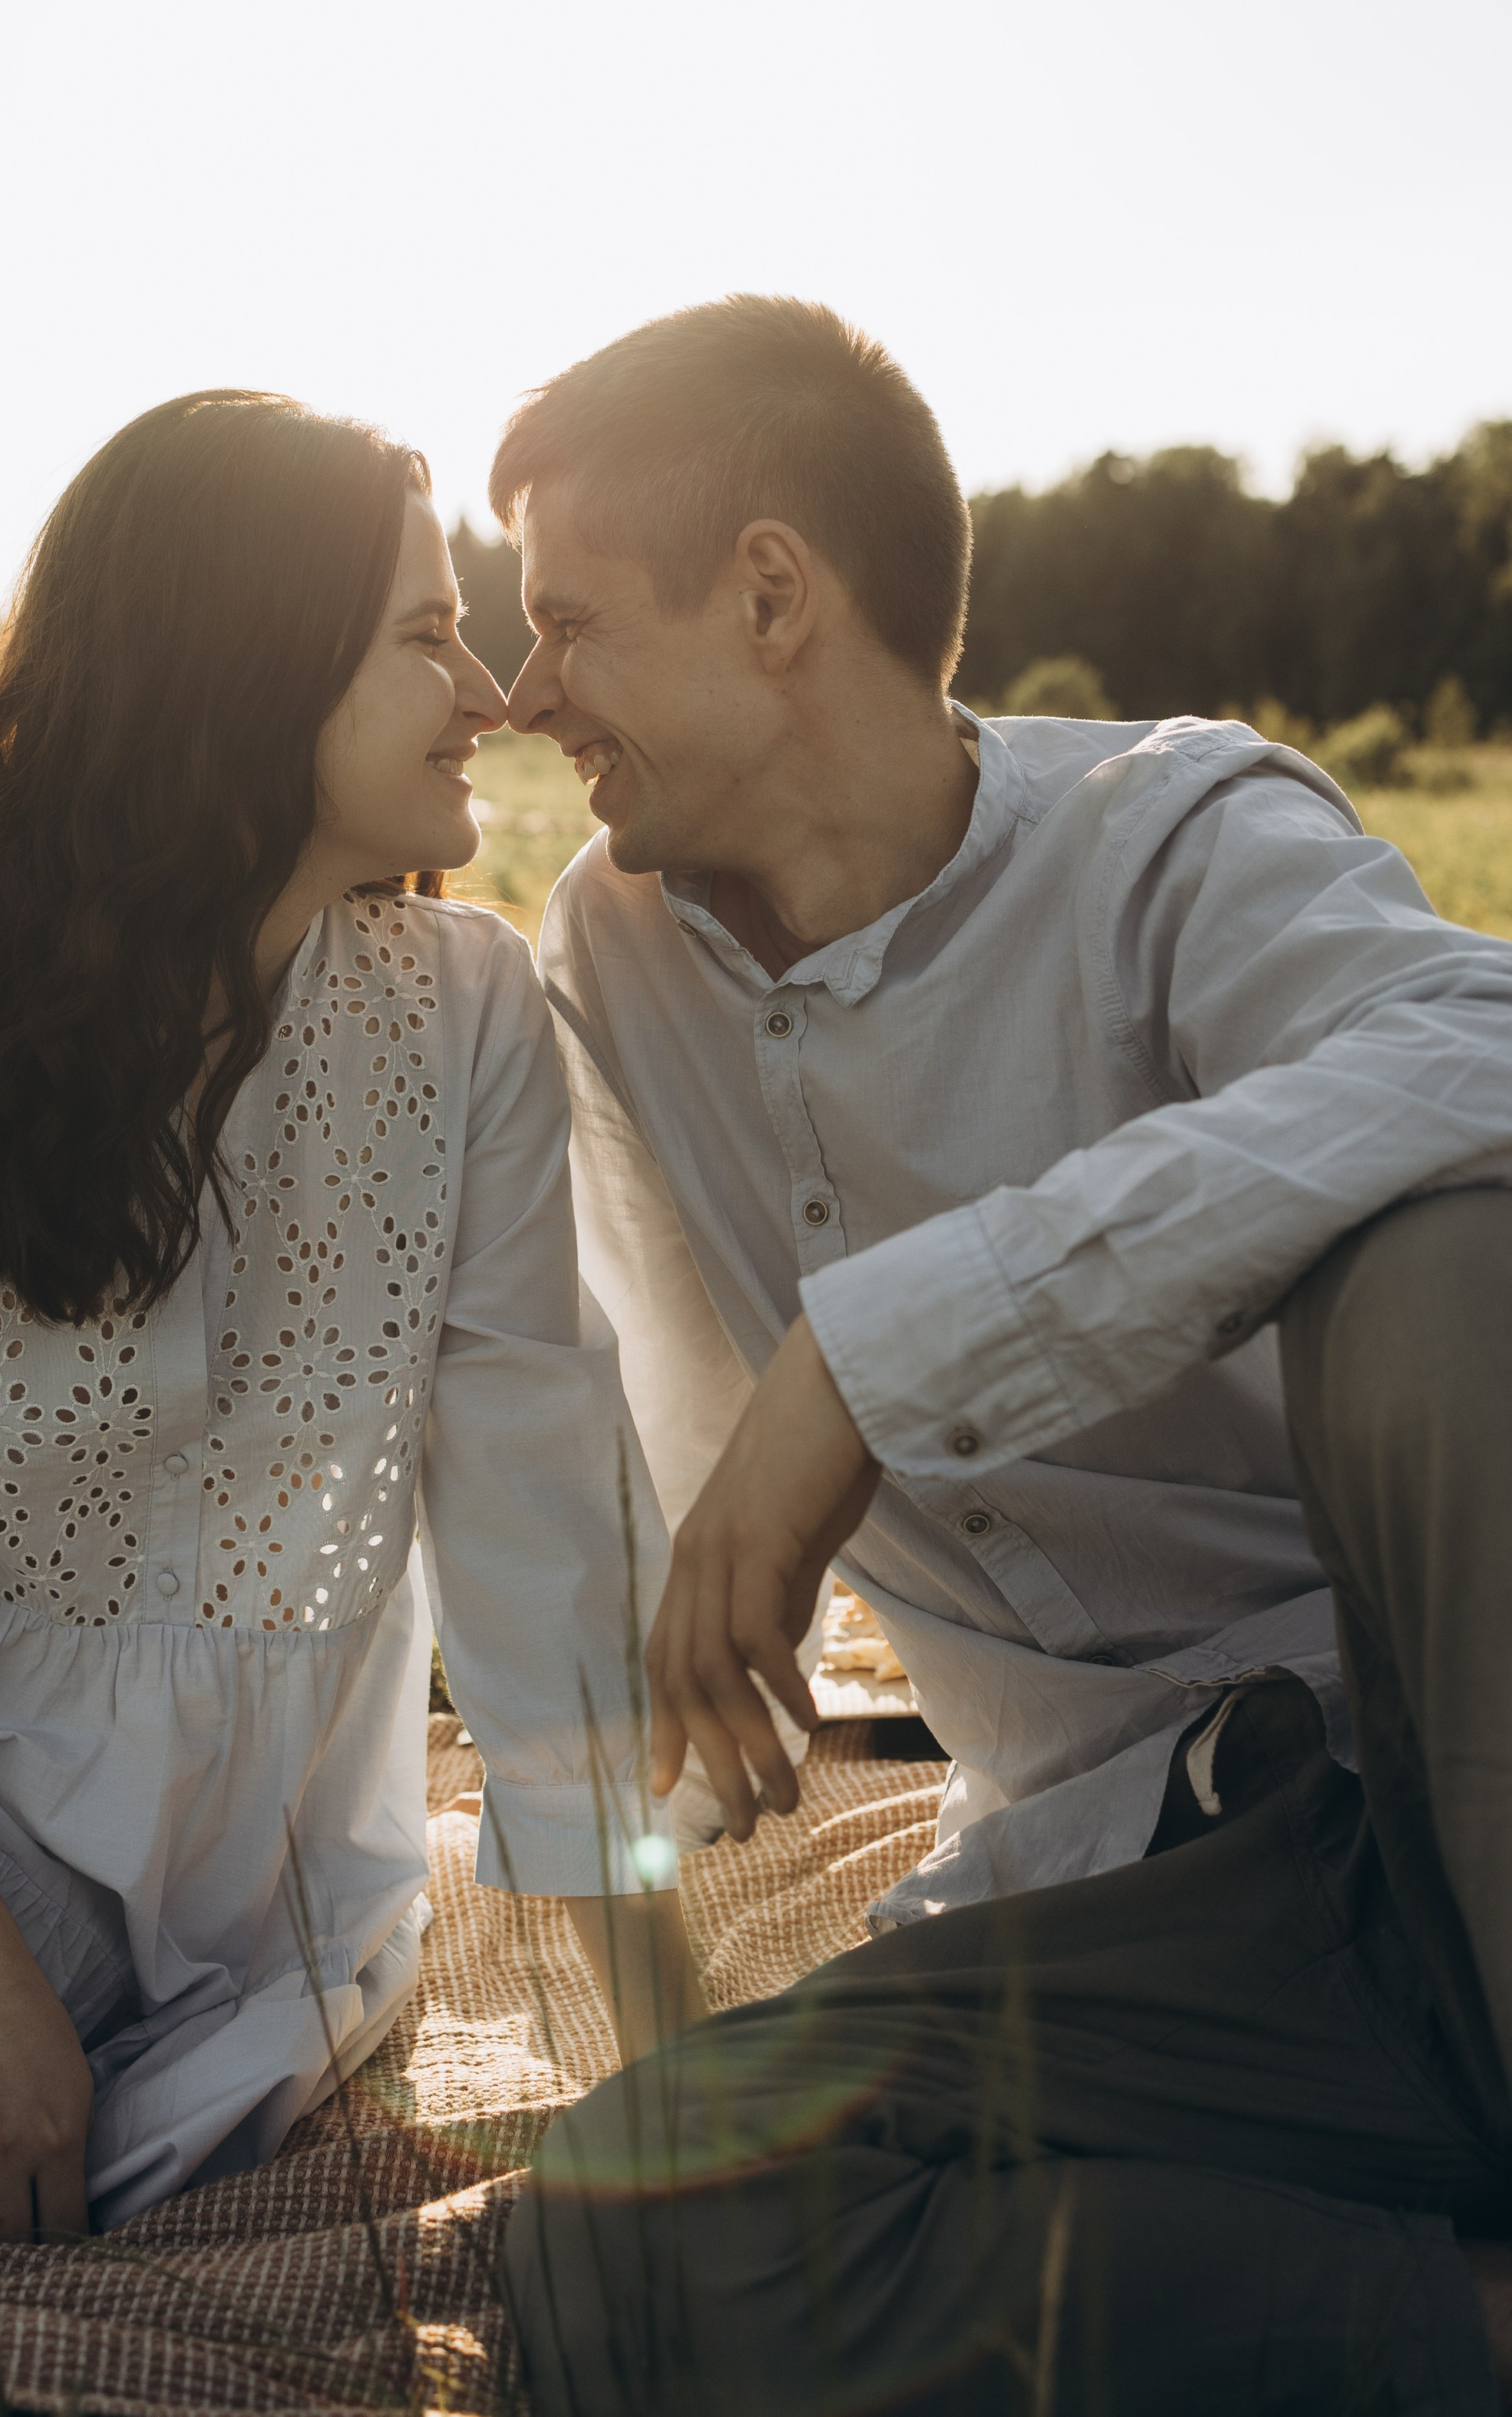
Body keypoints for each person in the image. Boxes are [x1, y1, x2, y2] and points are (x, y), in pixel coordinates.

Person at [490, 299, 1512, 2412]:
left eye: (569, 623)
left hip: (1460, 1764)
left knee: (1445, 1269)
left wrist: (879, 1360)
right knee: (630, 2233)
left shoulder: (1169, 843)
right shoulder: (605, 953)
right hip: (1203, 1914)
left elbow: (1479, 1038)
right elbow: (639, 1495)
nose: (525, 695)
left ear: (771, 593)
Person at [0, 388, 695, 2242]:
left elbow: (545, 1551)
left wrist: (671, 2072)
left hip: (97, 1862)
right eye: (422, 635)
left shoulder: (463, 1020)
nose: (486, 693)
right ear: (237, 672)